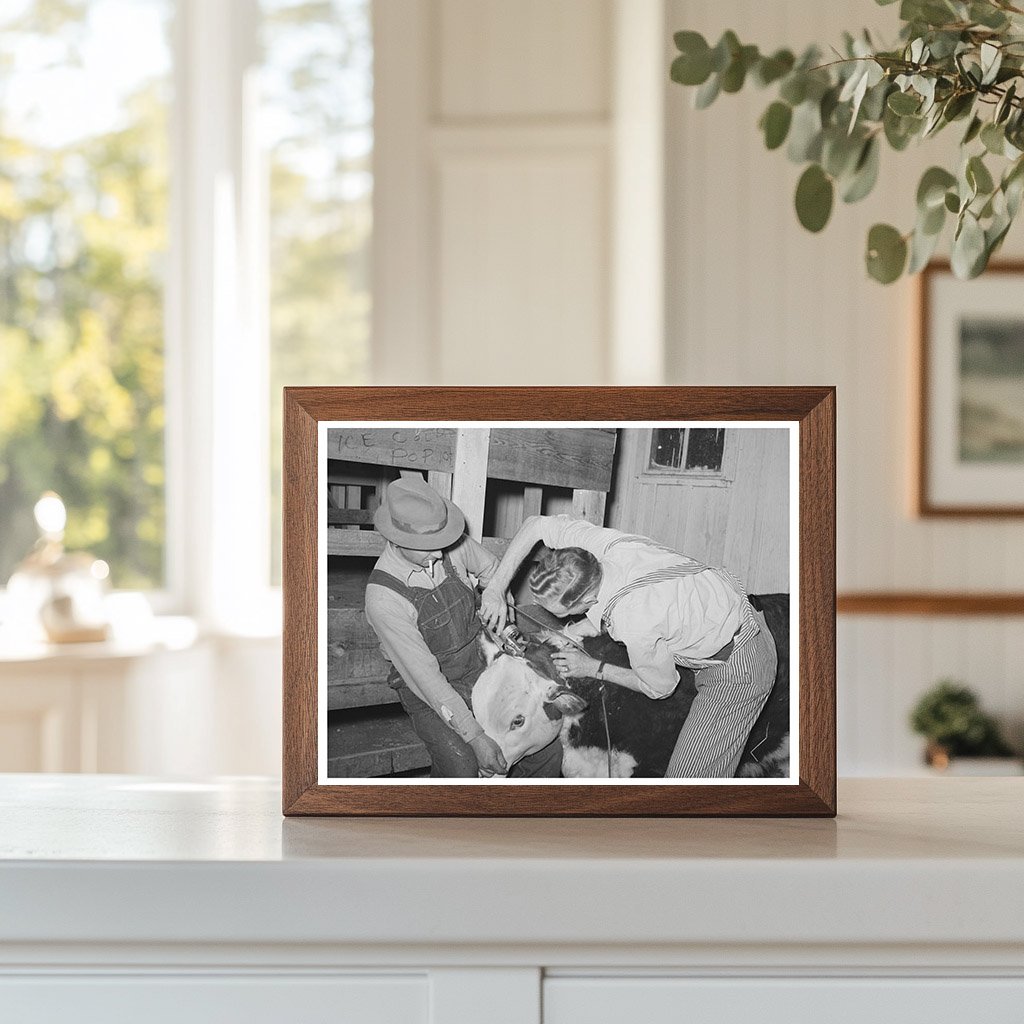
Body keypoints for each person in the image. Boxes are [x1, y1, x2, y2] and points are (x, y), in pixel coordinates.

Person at [479, 515, 777, 778]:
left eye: (554, 610)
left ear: (585, 602)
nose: (546, 611)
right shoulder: (607, 548)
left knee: (686, 786)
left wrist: (592, 668)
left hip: (739, 663)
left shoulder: (635, 621)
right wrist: (495, 588)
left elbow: (661, 687)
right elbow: (537, 525)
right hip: (724, 610)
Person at [364, 477, 563, 779]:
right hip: (429, 688)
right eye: (426, 547)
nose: (439, 552)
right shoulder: (383, 598)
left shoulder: (447, 544)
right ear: (396, 540)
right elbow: (427, 681)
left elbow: (492, 569)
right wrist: (475, 737)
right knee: (464, 767)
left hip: (479, 661)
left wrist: (498, 603)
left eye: (441, 541)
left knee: (546, 750)